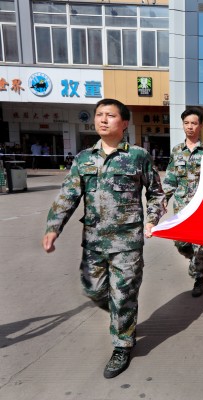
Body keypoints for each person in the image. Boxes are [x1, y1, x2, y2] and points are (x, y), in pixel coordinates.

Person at [42, 98, 166, 379]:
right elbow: (68, 195)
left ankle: (122, 345)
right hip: (94, 241)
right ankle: (125, 317)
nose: (103, 119)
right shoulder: (84, 158)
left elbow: (156, 193)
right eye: (99, 115)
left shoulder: (138, 156)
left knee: (123, 294)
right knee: (93, 290)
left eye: (110, 115)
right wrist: (53, 227)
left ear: (124, 123)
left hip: (127, 242)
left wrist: (152, 219)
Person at [163, 108, 203, 298]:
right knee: (181, 242)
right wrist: (163, 200)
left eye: (194, 123)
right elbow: (170, 178)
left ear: (200, 126)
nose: (190, 127)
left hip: (201, 205)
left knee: (200, 243)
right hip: (181, 205)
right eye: (186, 123)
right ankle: (193, 259)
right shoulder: (177, 151)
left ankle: (198, 278)